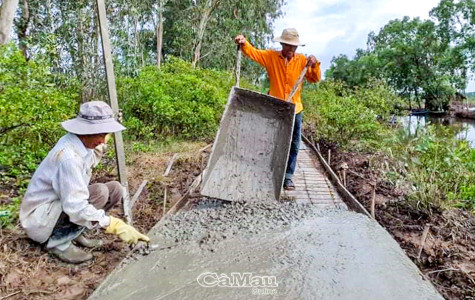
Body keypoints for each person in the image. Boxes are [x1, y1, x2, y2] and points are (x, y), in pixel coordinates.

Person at [20, 101, 149, 264]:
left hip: (58, 204)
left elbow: (93, 156)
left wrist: (103, 138)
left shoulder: (80, 143)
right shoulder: (68, 157)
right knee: (100, 192)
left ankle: (75, 232)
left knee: (115, 189)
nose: (103, 140)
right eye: (100, 134)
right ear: (85, 132)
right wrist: (114, 224)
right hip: (40, 218)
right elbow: (76, 206)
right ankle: (59, 243)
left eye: (106, 134)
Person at [234, 28, 321, 190]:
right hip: (275, 108)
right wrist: (244, 42)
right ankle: (269, 172)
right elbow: (253, 53)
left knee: (294, 143)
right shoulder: (271, 57)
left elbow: (314, 79)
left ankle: (288, 176)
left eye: (293, 46)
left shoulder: (302, 60)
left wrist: (315, 64)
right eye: (288, 46)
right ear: (282, 44)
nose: (291, 49)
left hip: (295, 109)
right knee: (272, 141)